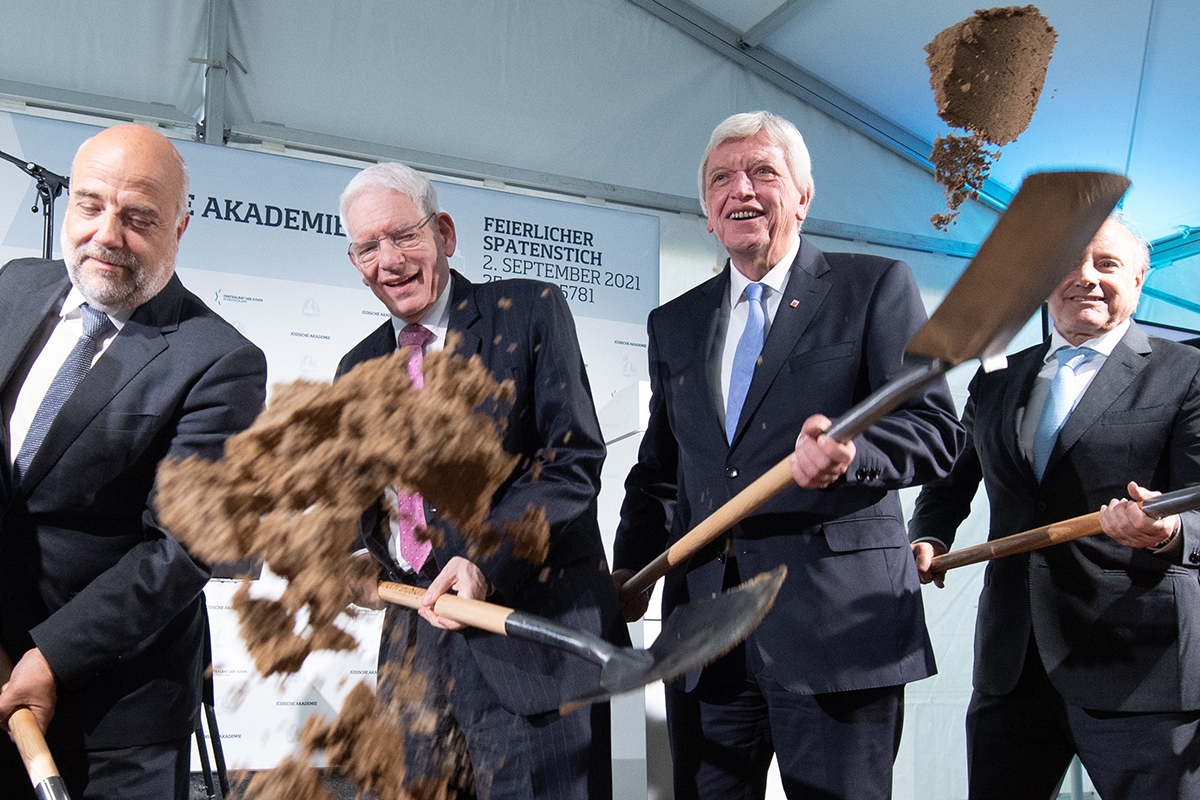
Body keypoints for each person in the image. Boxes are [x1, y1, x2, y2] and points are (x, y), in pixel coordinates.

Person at [612, 111, 963, 799]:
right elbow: (661, 467)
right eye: (721, 178)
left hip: (836, 635)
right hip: (706, 643)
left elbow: (933, 429)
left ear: (803, 196)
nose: (741, 187)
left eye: (763, 172)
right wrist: (632, 565)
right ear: (708, 214)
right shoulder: (674, 324)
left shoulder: (874, 288)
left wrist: (852, 454)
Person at [336, 162, 627, 800]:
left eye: (404, 236)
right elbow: (380, 507)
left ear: (444, 232)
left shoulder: (527, 312)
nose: (388, 260)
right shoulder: (355, 368)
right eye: (366, 247)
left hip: (531, 648)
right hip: (416, 659)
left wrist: (481, 562)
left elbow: (571, 461)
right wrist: (367, 556)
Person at [0, 124, 267, 799]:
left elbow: (180, 550)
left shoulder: (219, 361)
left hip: (109, 719)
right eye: (90, 204)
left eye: (138, 216)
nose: (107, 233)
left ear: (181, 226)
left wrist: (52, 657)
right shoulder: (15, 288)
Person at [909, 215, 1200, 798]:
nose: (1086, 278)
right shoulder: (996, 382)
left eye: (1107, 265)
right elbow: (948, 482)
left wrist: (1168, 532)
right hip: (1012, 664)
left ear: (1140, 279)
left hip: (1139, 666)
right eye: (1070, 263)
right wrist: (930, 536)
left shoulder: (1186, 371)